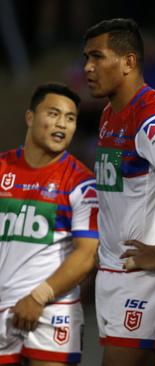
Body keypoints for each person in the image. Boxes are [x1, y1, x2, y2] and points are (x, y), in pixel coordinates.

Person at [83, 18, 155, 366]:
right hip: (118, 275)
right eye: (85, 58)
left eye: (97, 57)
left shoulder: (151, 114)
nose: (88, 67)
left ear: (129, 62)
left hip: (143, 281)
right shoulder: (110, 112)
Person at [0, 83, 99, 365]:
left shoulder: (81, 183)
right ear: (30, 118)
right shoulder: (2, 168)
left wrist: (38, 297)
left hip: (52, 311)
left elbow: (87, 254)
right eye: (54, 114)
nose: (62, 124)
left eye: (70, 118)